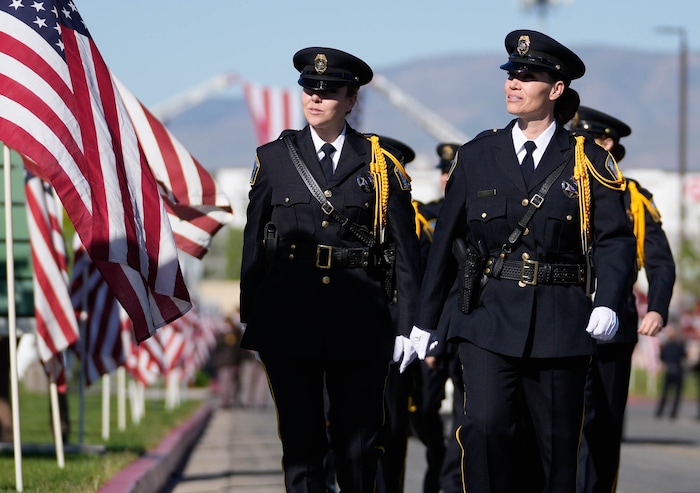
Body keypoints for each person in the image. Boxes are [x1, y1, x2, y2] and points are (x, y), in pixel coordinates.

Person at [397, 30, 636, 493]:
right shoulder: (476, 155)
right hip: (486, 319)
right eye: (511, 74)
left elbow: (615, 240)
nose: (514, 83)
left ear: (556, 88)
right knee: (485, 430)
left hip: (560, 323)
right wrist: (424, 321)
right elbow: (446, 242)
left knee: (554, 453)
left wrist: (608, 300)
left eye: (528, 76)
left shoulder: (588, 160)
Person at [239, 47, 421, 493]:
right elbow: (254, 240)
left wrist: (407, 323)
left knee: (358, 446)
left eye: (328, 90)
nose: (315, 97)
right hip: (289, 317)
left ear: (351, 99)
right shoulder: (274, 159)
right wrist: (253, 315)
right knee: (301, 446)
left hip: (359, 320)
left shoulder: (379, 165)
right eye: (308, 88)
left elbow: (403, 250)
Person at [570, 106, 676, 493]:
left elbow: (661, 263)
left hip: (613, 324)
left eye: (587, 139)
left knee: (603, 422)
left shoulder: (632, 198)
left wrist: (658, 309)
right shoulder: (561, 182)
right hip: (563, 313)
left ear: (608, 143)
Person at [212, 315, 247, 409]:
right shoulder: (220, 334)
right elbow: (216, 346)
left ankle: (231, 400)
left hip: (233, 362)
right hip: (223, 362)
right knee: (224, 382)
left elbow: (239, 348)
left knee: (233, 383)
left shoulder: (236, 333)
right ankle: (223, 401)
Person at [655, 323, 687, 419]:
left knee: (665, 392)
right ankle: (673, 413)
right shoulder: (679, 345)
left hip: (669, 370)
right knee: (676, 394)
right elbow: (684, 356)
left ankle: (660, 411)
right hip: (677, 370)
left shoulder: (666, 346)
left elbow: (662, 357)